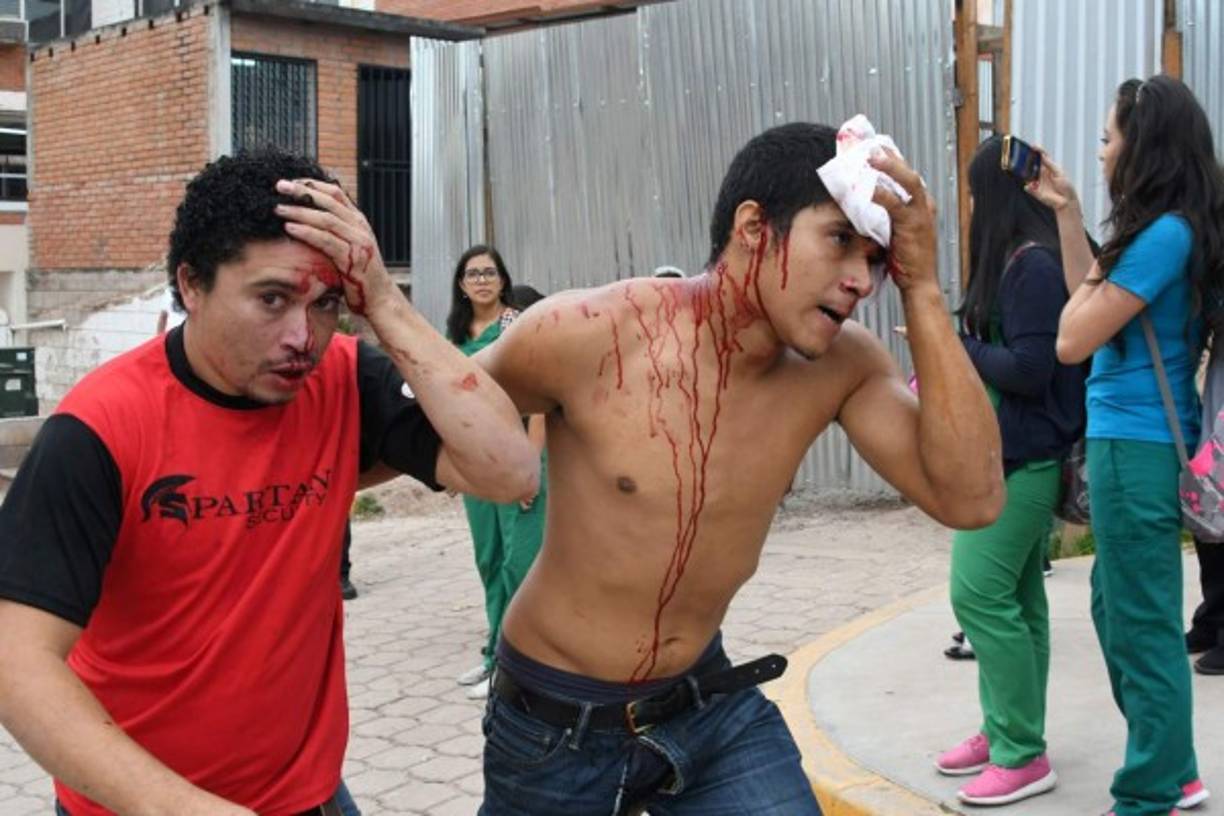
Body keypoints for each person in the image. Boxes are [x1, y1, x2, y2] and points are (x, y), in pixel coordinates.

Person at [473, 121, 1005, 815]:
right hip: (552, 724)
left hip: (706, 707)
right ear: (754, 226)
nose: (859, 281)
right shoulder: (594, 333)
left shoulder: (843, 366)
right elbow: (418, 416)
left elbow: (972, 500)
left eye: (876, 259)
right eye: (840, 240)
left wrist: (925, 289)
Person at [0, 150, 538, 816]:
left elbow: (509, 468)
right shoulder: (100, 428)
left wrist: (383, 300)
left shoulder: (341, 379)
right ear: (191, 285)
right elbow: (18, 662)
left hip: (309, 796)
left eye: (326, 305)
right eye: (272, 298)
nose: (301, 337)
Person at [1029, 75, 1224, 816]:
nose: (1103, 151)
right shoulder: (1155, 235)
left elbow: (1073, 336)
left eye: (1109, 138)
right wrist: (1072, 211)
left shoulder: (1165, 234)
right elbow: (1089, 304)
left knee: (1139, 625)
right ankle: (1173, 766)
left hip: (1136, 449)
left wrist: (1091, 277)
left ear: (1141, 148)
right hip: (1122, 444)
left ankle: (1151, 788)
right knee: (1118, 611)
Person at [933, 135, 1086, 806]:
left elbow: (1030, 370)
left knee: (977, 596)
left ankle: (1022, 753)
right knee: (1019, 604)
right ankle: (1008, 733)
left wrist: (954, 341)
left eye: (972, 194)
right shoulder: (1026, 264)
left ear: (990, 199)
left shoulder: (1031, 269)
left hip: (1024, 460)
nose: (968, 206)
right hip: (1016, 456)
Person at [447, 245, 548, 700]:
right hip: (474, 462)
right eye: (473, 274)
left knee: (519, 562)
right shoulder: (455, 334)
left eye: (490, 272)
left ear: (503, 280)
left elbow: (541, 398)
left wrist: (530, 463)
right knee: (489, 559)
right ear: (462, 285)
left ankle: (516, 667)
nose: (482, 280)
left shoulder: (518, 324)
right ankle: (494, 654)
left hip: (517, 457)